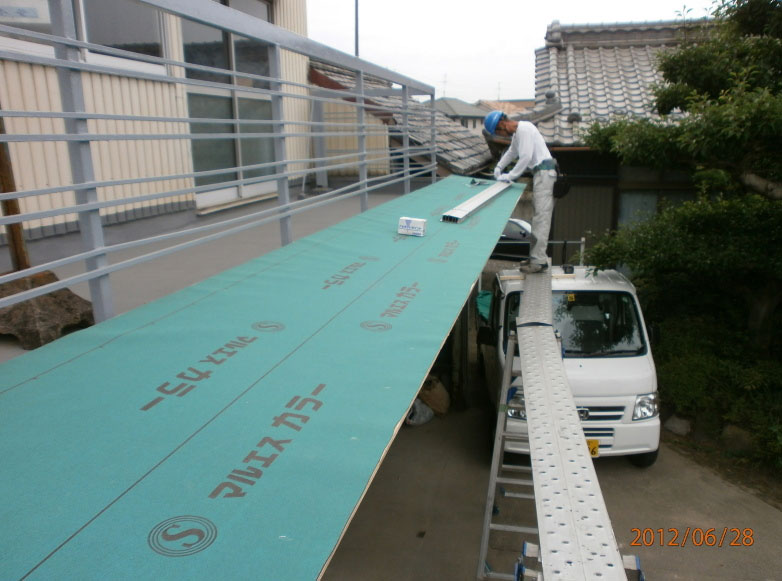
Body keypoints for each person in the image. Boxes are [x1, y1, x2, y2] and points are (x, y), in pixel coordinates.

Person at [484, 110, 556, 274]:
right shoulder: (518, 133)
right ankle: (535, 258)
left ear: (502, 124)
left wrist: (510, 176)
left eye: (498, 132)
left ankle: (538, 261)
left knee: (541, 219)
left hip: (544, 174)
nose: (501, 135)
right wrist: (499, 167)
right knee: (537, 217)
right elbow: (512, 152)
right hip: (541, 174)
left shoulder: (524, 129)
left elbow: (525, 157)